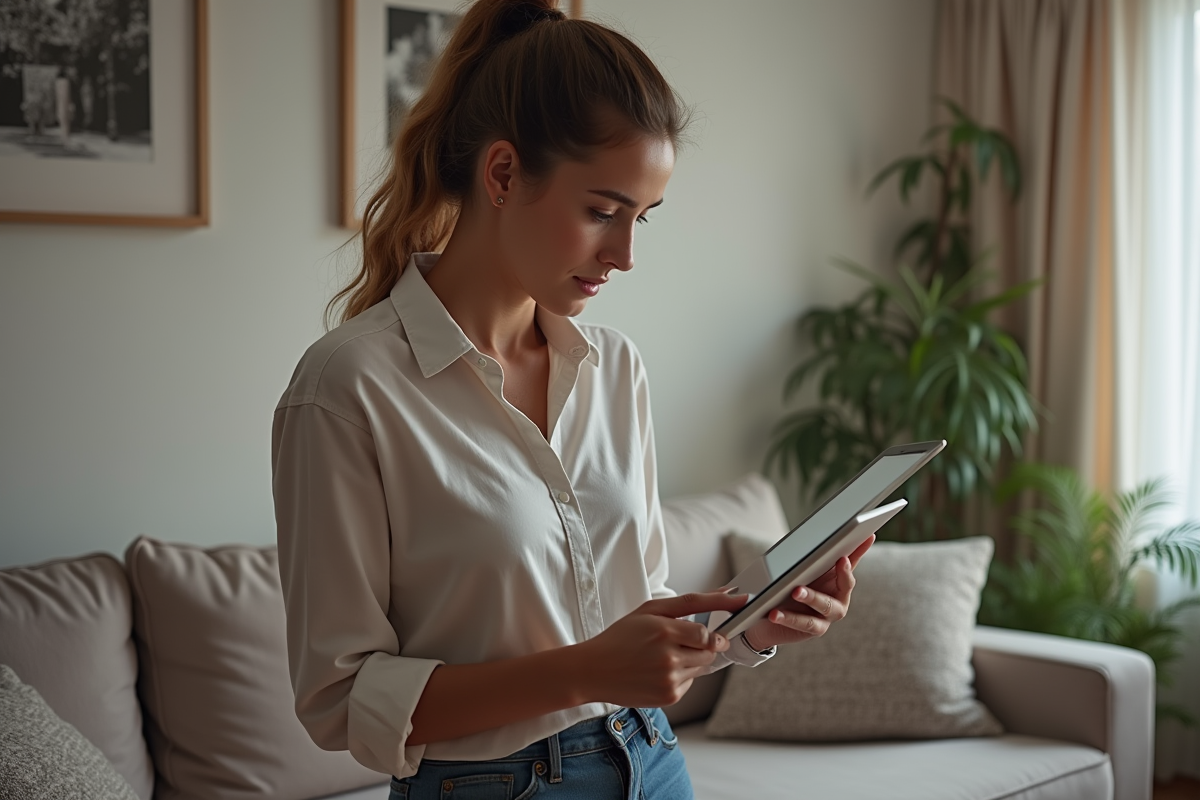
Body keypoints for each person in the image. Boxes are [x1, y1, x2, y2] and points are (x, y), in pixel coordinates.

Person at [271, 1, 873, 798]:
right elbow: (344, 700)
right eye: (601, 212)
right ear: (503, 173)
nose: (623, 255)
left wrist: (748, 627)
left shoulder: (614, 368)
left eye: (641, 220)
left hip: (652, 762)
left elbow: (640, 608)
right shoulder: (348, 390)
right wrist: (584, 670)